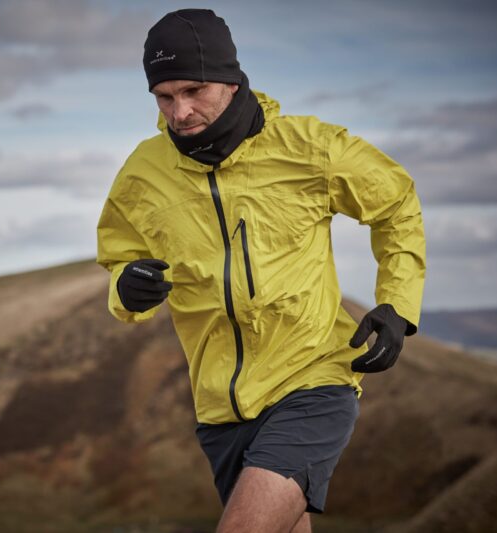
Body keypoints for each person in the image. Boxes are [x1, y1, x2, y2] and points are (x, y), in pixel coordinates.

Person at [96, 8, 426, 533]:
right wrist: (127, 289)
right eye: (164, 97)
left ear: (229, 79)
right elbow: (118, 257)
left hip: (311, 380)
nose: (179, 112)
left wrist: (398, 305)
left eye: (193, 90)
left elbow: (396, 203)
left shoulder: (309, 148)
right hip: (220, 410)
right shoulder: (142, 172)